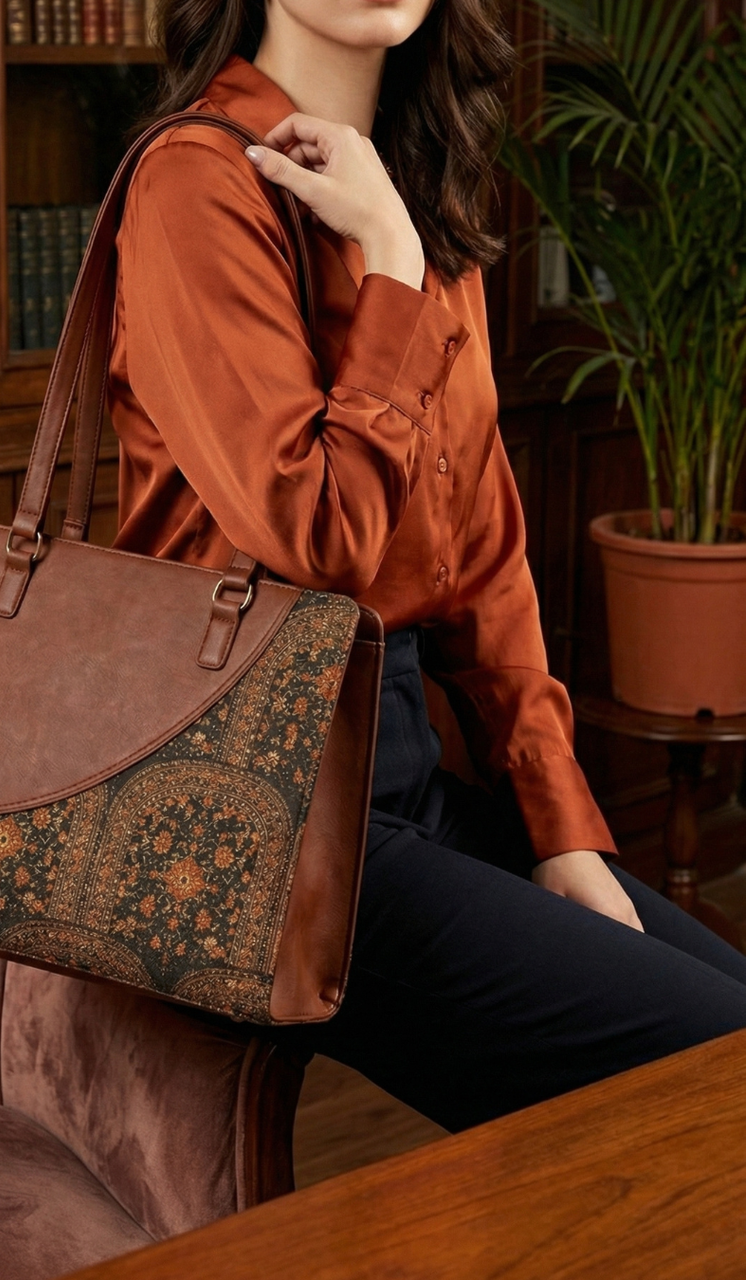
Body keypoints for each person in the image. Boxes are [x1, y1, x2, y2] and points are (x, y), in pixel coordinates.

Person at [105, 0, 746, 1131]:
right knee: (710, 1076)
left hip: (393, 769)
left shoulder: (413, 191)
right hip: (248, 802)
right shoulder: (195, 186)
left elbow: (480, 554)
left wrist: (562, 830)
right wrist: (388, 262)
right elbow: (318, 534)